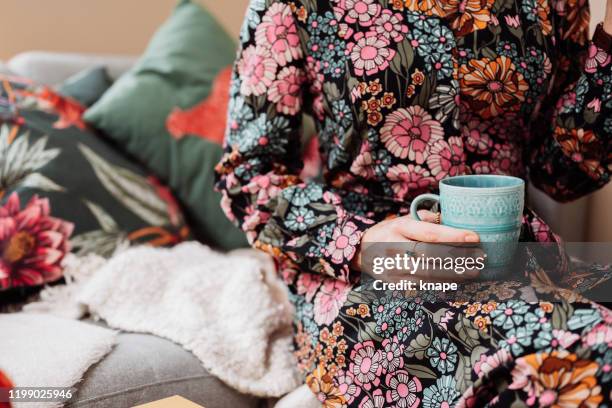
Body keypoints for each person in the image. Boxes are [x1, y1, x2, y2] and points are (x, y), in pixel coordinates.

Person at [216, 0, 612, 406]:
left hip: (518, 258)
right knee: (596, 348)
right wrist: (359, 242)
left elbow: (561, 175)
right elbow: (248, 176)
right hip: (373, 276)